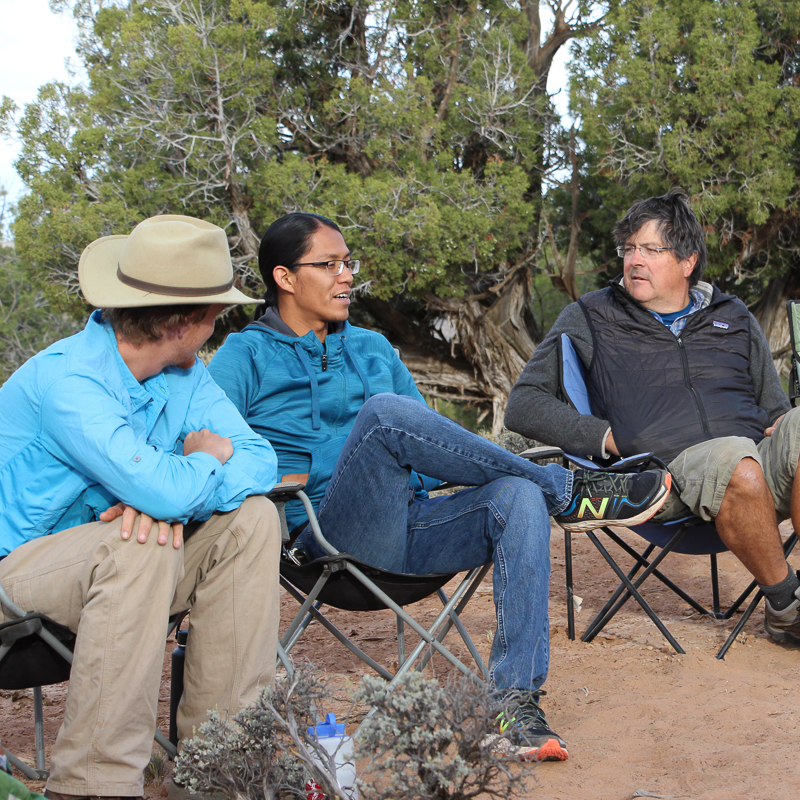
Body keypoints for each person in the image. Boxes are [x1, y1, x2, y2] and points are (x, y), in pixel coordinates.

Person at [206, 212, 671, 763]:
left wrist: (406, 469)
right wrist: (281, 481)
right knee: (384, 415)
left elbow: (428, 451)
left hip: (407, 531)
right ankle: (565, 488)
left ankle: (513, 704)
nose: (346, 276)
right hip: (319, 541)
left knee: (515, 496)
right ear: (284, 278)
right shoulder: (246, 355)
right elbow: (211, 451)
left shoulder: (374, 348)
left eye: (348, 263)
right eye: (328, 265)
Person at [505, 190, 800, 674]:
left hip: (750, 464)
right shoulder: (591, 316)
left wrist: (786, 426)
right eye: (628, 249)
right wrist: (604, 438)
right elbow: (522, 405)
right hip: (664, 478)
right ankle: (784, 605)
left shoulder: (732, 315)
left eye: (650, 250)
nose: (634, 261)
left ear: (687, 260)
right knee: (738, 459)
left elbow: (773, 406)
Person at [0, 215, 282, 800]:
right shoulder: (71, 382)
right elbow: (170, 490)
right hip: (12, 577)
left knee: (253, 519)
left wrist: (165, 496)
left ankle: (217, 773)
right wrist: (195, 471)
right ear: (186, 322)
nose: (217, 325)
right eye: (215, 313)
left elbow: (261, 461)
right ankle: (93, 788)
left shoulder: (185, 378)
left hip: (115, 571)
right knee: (140, 537)